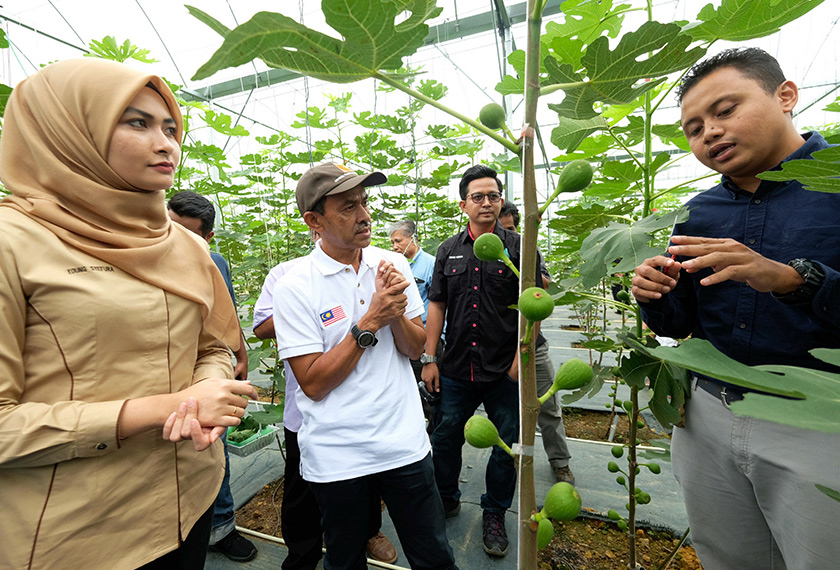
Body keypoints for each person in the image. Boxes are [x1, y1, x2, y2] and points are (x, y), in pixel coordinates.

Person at [0, 58, 257, 570]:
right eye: (136, 122)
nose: (167, 144)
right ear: (69, 131)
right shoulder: (13, 242)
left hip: (192, 499)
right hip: (82, 534)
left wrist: (209, 388)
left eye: (170, 127)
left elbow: (211, 344)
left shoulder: (185, 244)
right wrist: (168, 408)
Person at [632, 47, 840, 570]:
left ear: (786, 96)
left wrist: (795, 279)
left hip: (817, 422)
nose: (710, 134)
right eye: (695, 128)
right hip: (708, 416)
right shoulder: (696, 213)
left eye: (725, 110)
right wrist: (655, 294)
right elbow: (680, 323)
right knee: (726, 556)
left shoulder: (834, 185)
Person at [273, 163, 457, 570]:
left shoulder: (392, 264)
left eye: (365, 202)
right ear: (313, 221)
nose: (365, 216)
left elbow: (413, 349)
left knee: (434, 556)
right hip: (338, 455)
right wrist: (371, 320)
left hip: (403, 443)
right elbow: (314, 384)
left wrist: (393, 313)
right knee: (345, 560)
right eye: (348, 207)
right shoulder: (293, 286)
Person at [252, 241, 400, 568]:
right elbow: (261, 327)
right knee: (302, 491)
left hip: (363, 409)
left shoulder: (374, 271)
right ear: (316, 222)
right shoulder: (287, 276)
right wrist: (302, 305)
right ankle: (302, 555)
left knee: (365, 479)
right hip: (307, 409)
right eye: (344, 209)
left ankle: (370, 532)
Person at [422, 165, 542, 558]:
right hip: (455, 365)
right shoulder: (447, 250)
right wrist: (429, 357)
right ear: (464, 204)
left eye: (494, 195)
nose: (488, 202)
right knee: (445, 437)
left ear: (501, 200)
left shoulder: (521, 247)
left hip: (503, 369)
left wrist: (519, 360)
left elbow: (535, 308)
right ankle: (446, 497)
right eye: (478, 196)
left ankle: (494, 512)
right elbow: (436, 303)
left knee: (508, 445)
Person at [167, 190, 257, 562]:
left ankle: (221, 527)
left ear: (208, 238)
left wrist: (240, 354)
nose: (172, 239)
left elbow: (228, 316)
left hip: (206, 373)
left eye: (187, 234)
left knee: (212, 450)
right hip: (161, 383)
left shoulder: (215, 263)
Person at [497, 202, 575, 484]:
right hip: (501, 349)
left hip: (534, 345)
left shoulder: (528, 250)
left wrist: (528, 275)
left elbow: (544, 291)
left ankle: (560, 462)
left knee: (548, 406)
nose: (509, 235)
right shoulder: (487, 251)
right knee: (512, 413)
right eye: (504, 230)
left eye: (513, 229)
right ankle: (518, 456)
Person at [388, 219, 442, 433]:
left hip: (428, 339)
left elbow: (440, 303)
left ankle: (431, 438)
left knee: (430, 391)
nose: (395, 246)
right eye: (392, 242)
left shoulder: (430, 264)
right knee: (411, 391)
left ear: (413, 239)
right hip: (406, 338)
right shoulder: (395, 264)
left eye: (399, 240)